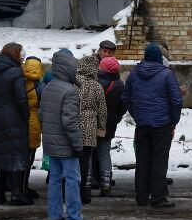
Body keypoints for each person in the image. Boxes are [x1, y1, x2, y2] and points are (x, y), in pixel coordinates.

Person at [122, 43, 182, 209]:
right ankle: (158, 197)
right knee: (159, 162)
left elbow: (126, 97)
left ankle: (141, 197)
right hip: (162, 125)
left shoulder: (134, 74)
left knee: (142, 161)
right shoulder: (167, 74)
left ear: (145, 56)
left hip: (142, 125)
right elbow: (176, 99)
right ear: (159, 58)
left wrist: (137, 115)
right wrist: (173, 120)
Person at [40, 49, 92, 220]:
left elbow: (41, 115)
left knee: (54, 179)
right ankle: (73, 217)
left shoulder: (47, 87)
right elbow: (70, 122)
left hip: (50, 143)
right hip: (66, 144)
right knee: (72, 179)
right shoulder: (70, 90)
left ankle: (54, 216)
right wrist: (78, 146)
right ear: (69, 67)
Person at [0, 43, 33, 206]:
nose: (23, 57)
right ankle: (16, 193)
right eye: (22, 53)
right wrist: (26, 115)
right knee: (15, 154)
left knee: (1, 155)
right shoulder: (15, 72)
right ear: (15, 55)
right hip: (13, 118)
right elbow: (20, 99)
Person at [74, 55, 107, 204]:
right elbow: (102, 110)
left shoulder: (73, 83)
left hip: (73, 125)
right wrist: (101, 128)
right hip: (89, 127)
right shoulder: (97, 86)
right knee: (85, 161)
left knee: (72, 160)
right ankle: (83, 192)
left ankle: (71, 190)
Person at [94, 56, 125, 196]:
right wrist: (116, 118)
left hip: (92, 122)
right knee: (104, 153)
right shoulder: (119, 85)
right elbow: (123, 105)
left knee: (89, 153)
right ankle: (106, 183)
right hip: (109, 124)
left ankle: (87, 182)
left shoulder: (95, 82)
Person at [22, 56, 45, 199]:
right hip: (34, 125)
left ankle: (17, 185)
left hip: (19, 123)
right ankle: (24, 186)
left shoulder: (19, 83)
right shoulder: (41, 88)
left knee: (19, 157)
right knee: (29, 158)